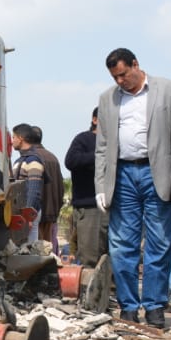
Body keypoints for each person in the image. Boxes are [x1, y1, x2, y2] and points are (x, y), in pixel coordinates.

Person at [93, 49, 171, 329]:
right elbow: (102, 147)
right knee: (122, 244)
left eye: (123, 74)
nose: (120, 81)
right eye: (115, 77)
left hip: (156, 172)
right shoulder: (107, 98)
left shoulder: (167, 90)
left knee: (160, 242)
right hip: (122, 174)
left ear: (136, 65)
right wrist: (101, 184)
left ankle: (155, 306)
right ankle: (128, 307)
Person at [64, 108, 109, 267]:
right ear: (95, 120)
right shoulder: (84, 139)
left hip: (115, 206)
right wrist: (99, 156)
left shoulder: (117, 142)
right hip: (90, 208)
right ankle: (90, 291)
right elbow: (71, 161)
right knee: (90, 258)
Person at [28, 126, 65, 255]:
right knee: (49, 253)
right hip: (50, 213)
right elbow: (61, 188)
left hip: (34, 213)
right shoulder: (53, 158)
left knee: (35, 253)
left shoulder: (31, 158)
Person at [10, 123, 46, 242]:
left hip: (28, 213)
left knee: (28, 248)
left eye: (14, 137)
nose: (12, 140)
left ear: (21, 138)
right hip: (22, 213)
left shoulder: (33, 161)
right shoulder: (19, 161)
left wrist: (28, 217)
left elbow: (34, 190)